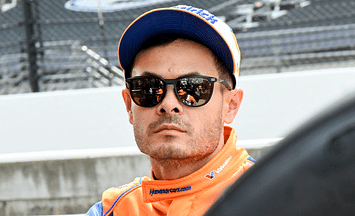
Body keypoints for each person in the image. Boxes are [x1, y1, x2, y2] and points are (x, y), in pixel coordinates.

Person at [86, 5, 255, 216]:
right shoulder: (112, 211)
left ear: (231, 105)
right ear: (129, 105)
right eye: (148, 87)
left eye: (193, 87)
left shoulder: (278, 196)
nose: (168, 103)